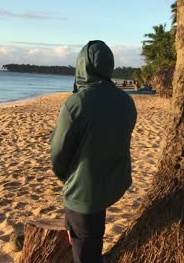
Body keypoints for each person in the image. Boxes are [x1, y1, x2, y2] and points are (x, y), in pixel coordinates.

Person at [50, 40, 137, 262]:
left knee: (84, 252)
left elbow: (58, 155)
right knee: (94, 237)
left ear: (82, 65)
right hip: (110, 185)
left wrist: (67, 179)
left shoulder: (75, 104)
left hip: (83, 192)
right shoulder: (127, 102)